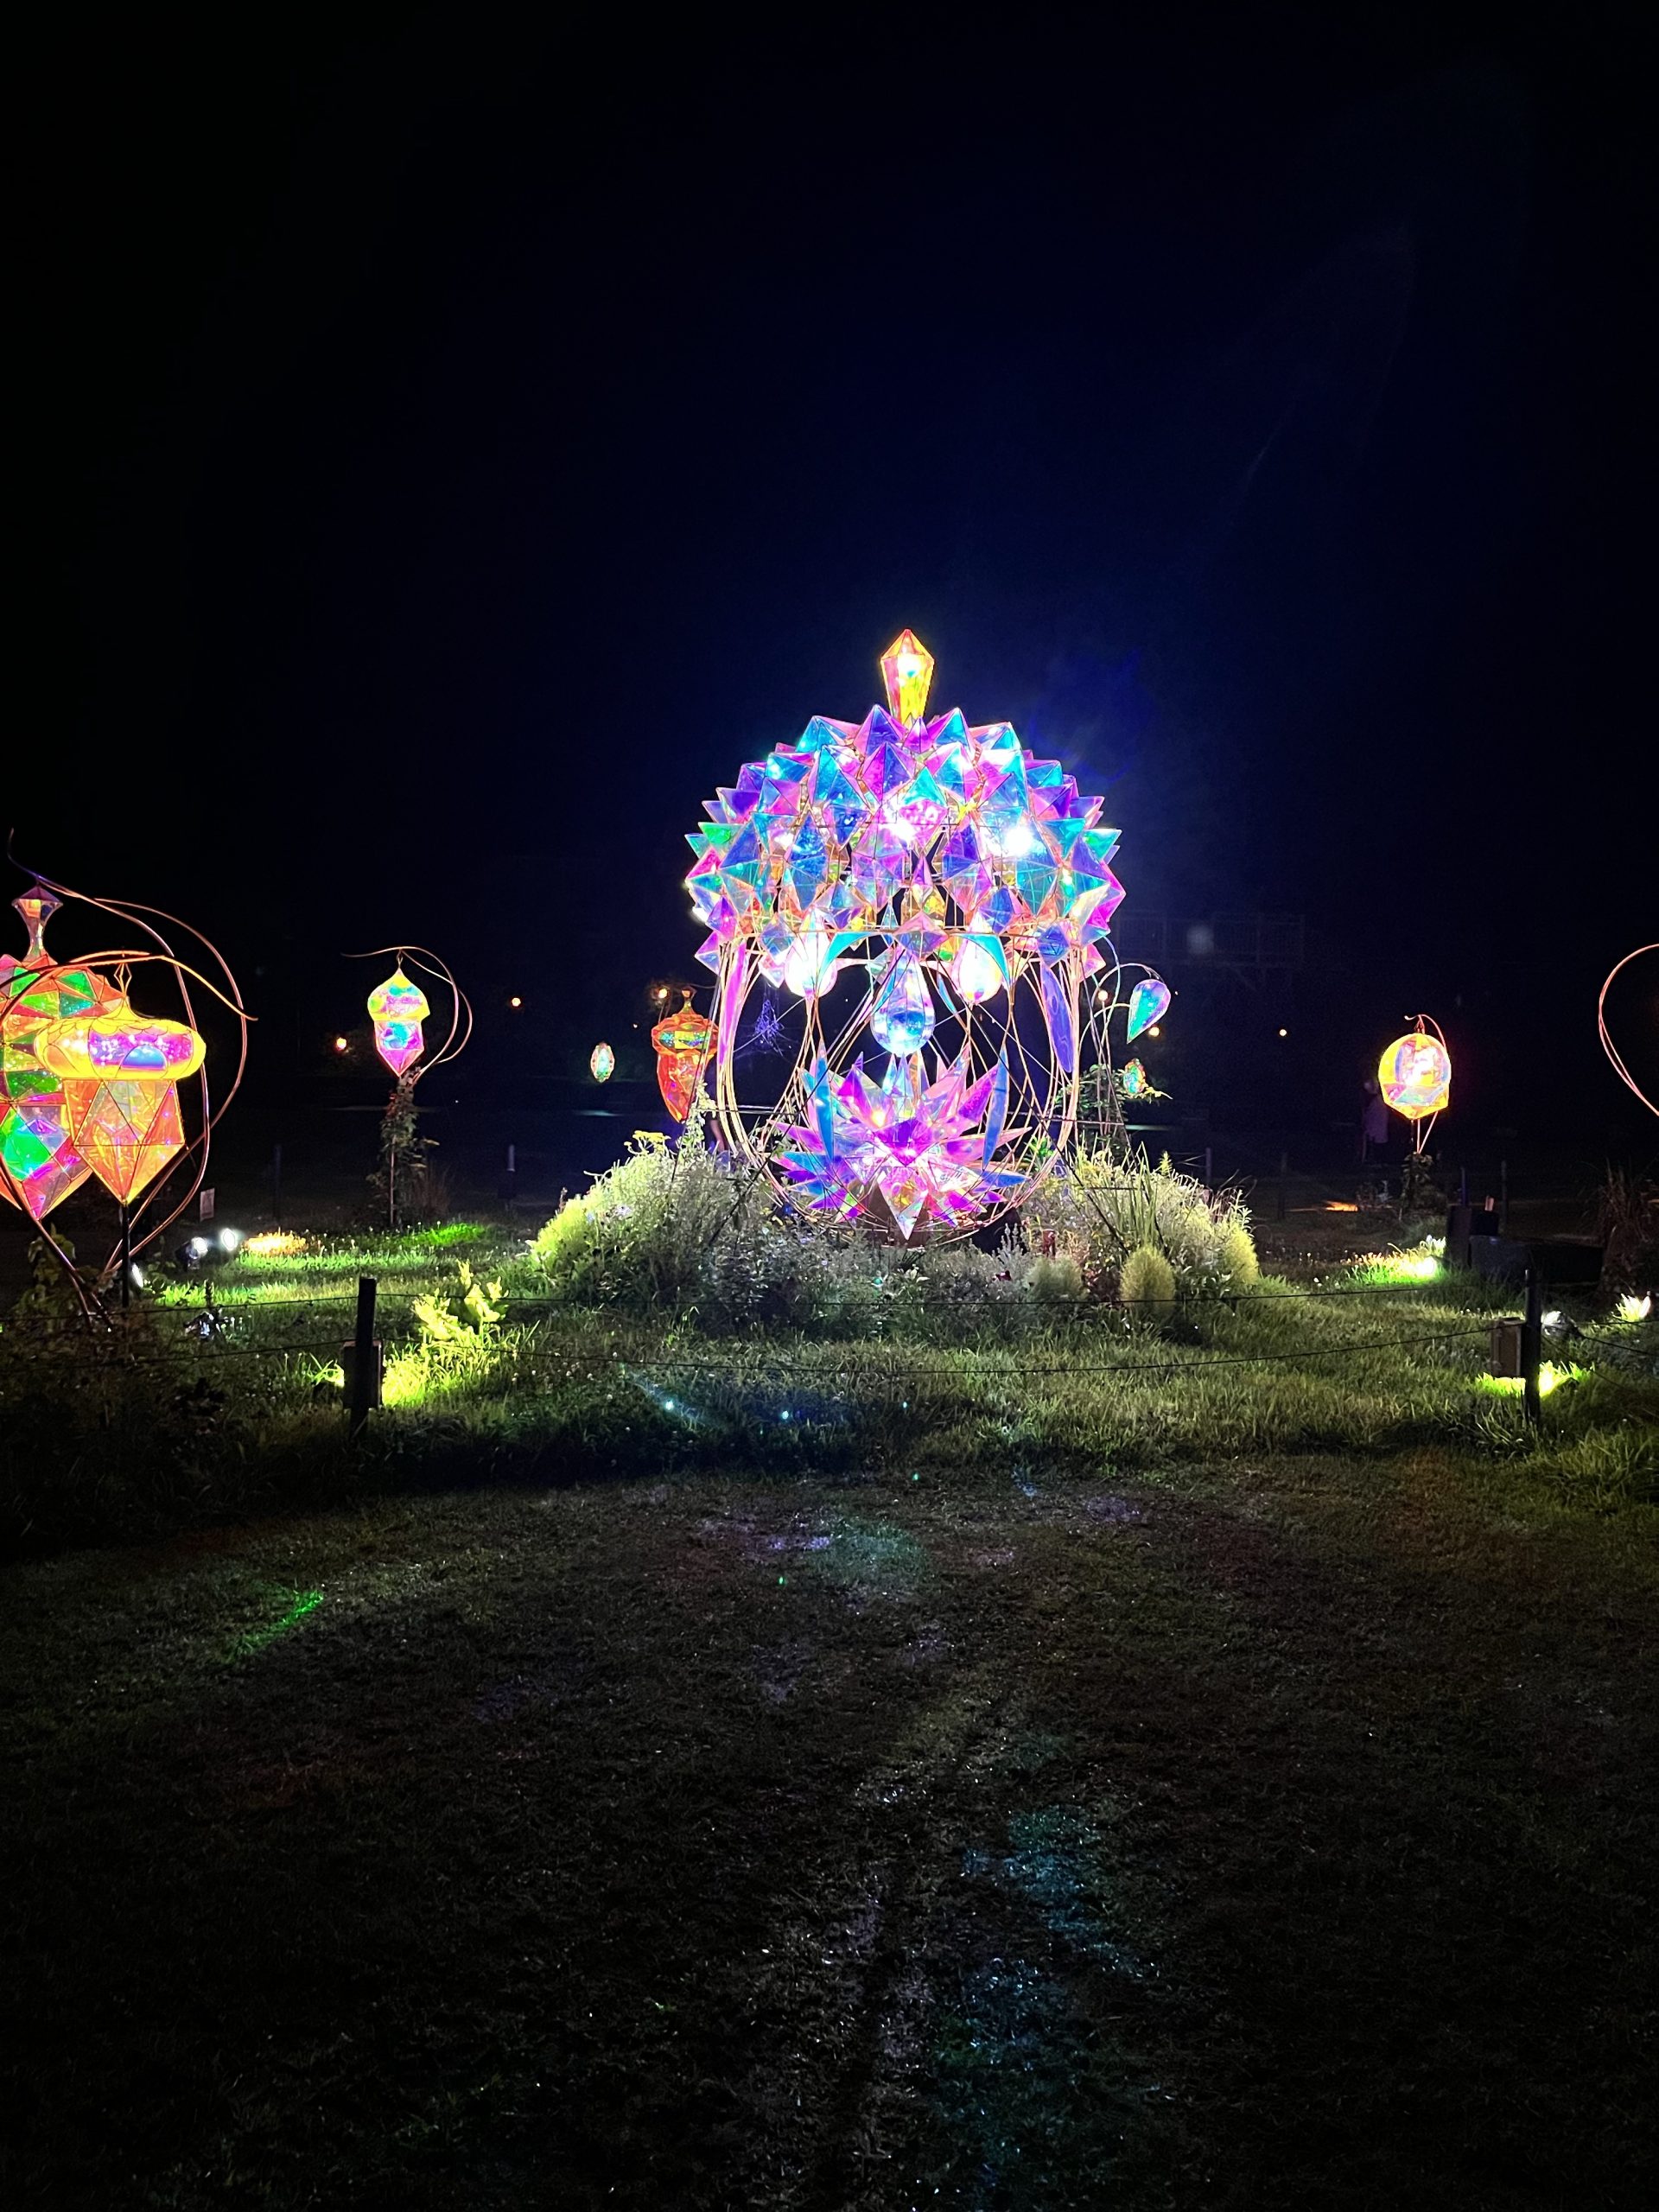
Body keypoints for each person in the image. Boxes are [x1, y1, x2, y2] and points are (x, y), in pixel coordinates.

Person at [1360, 1076, 1389, 1161]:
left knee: (1376, 1151)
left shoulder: (1376, 1102)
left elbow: (1370, 1118)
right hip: (1376, 1133)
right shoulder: (1378, 1102)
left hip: (1374, 1134)